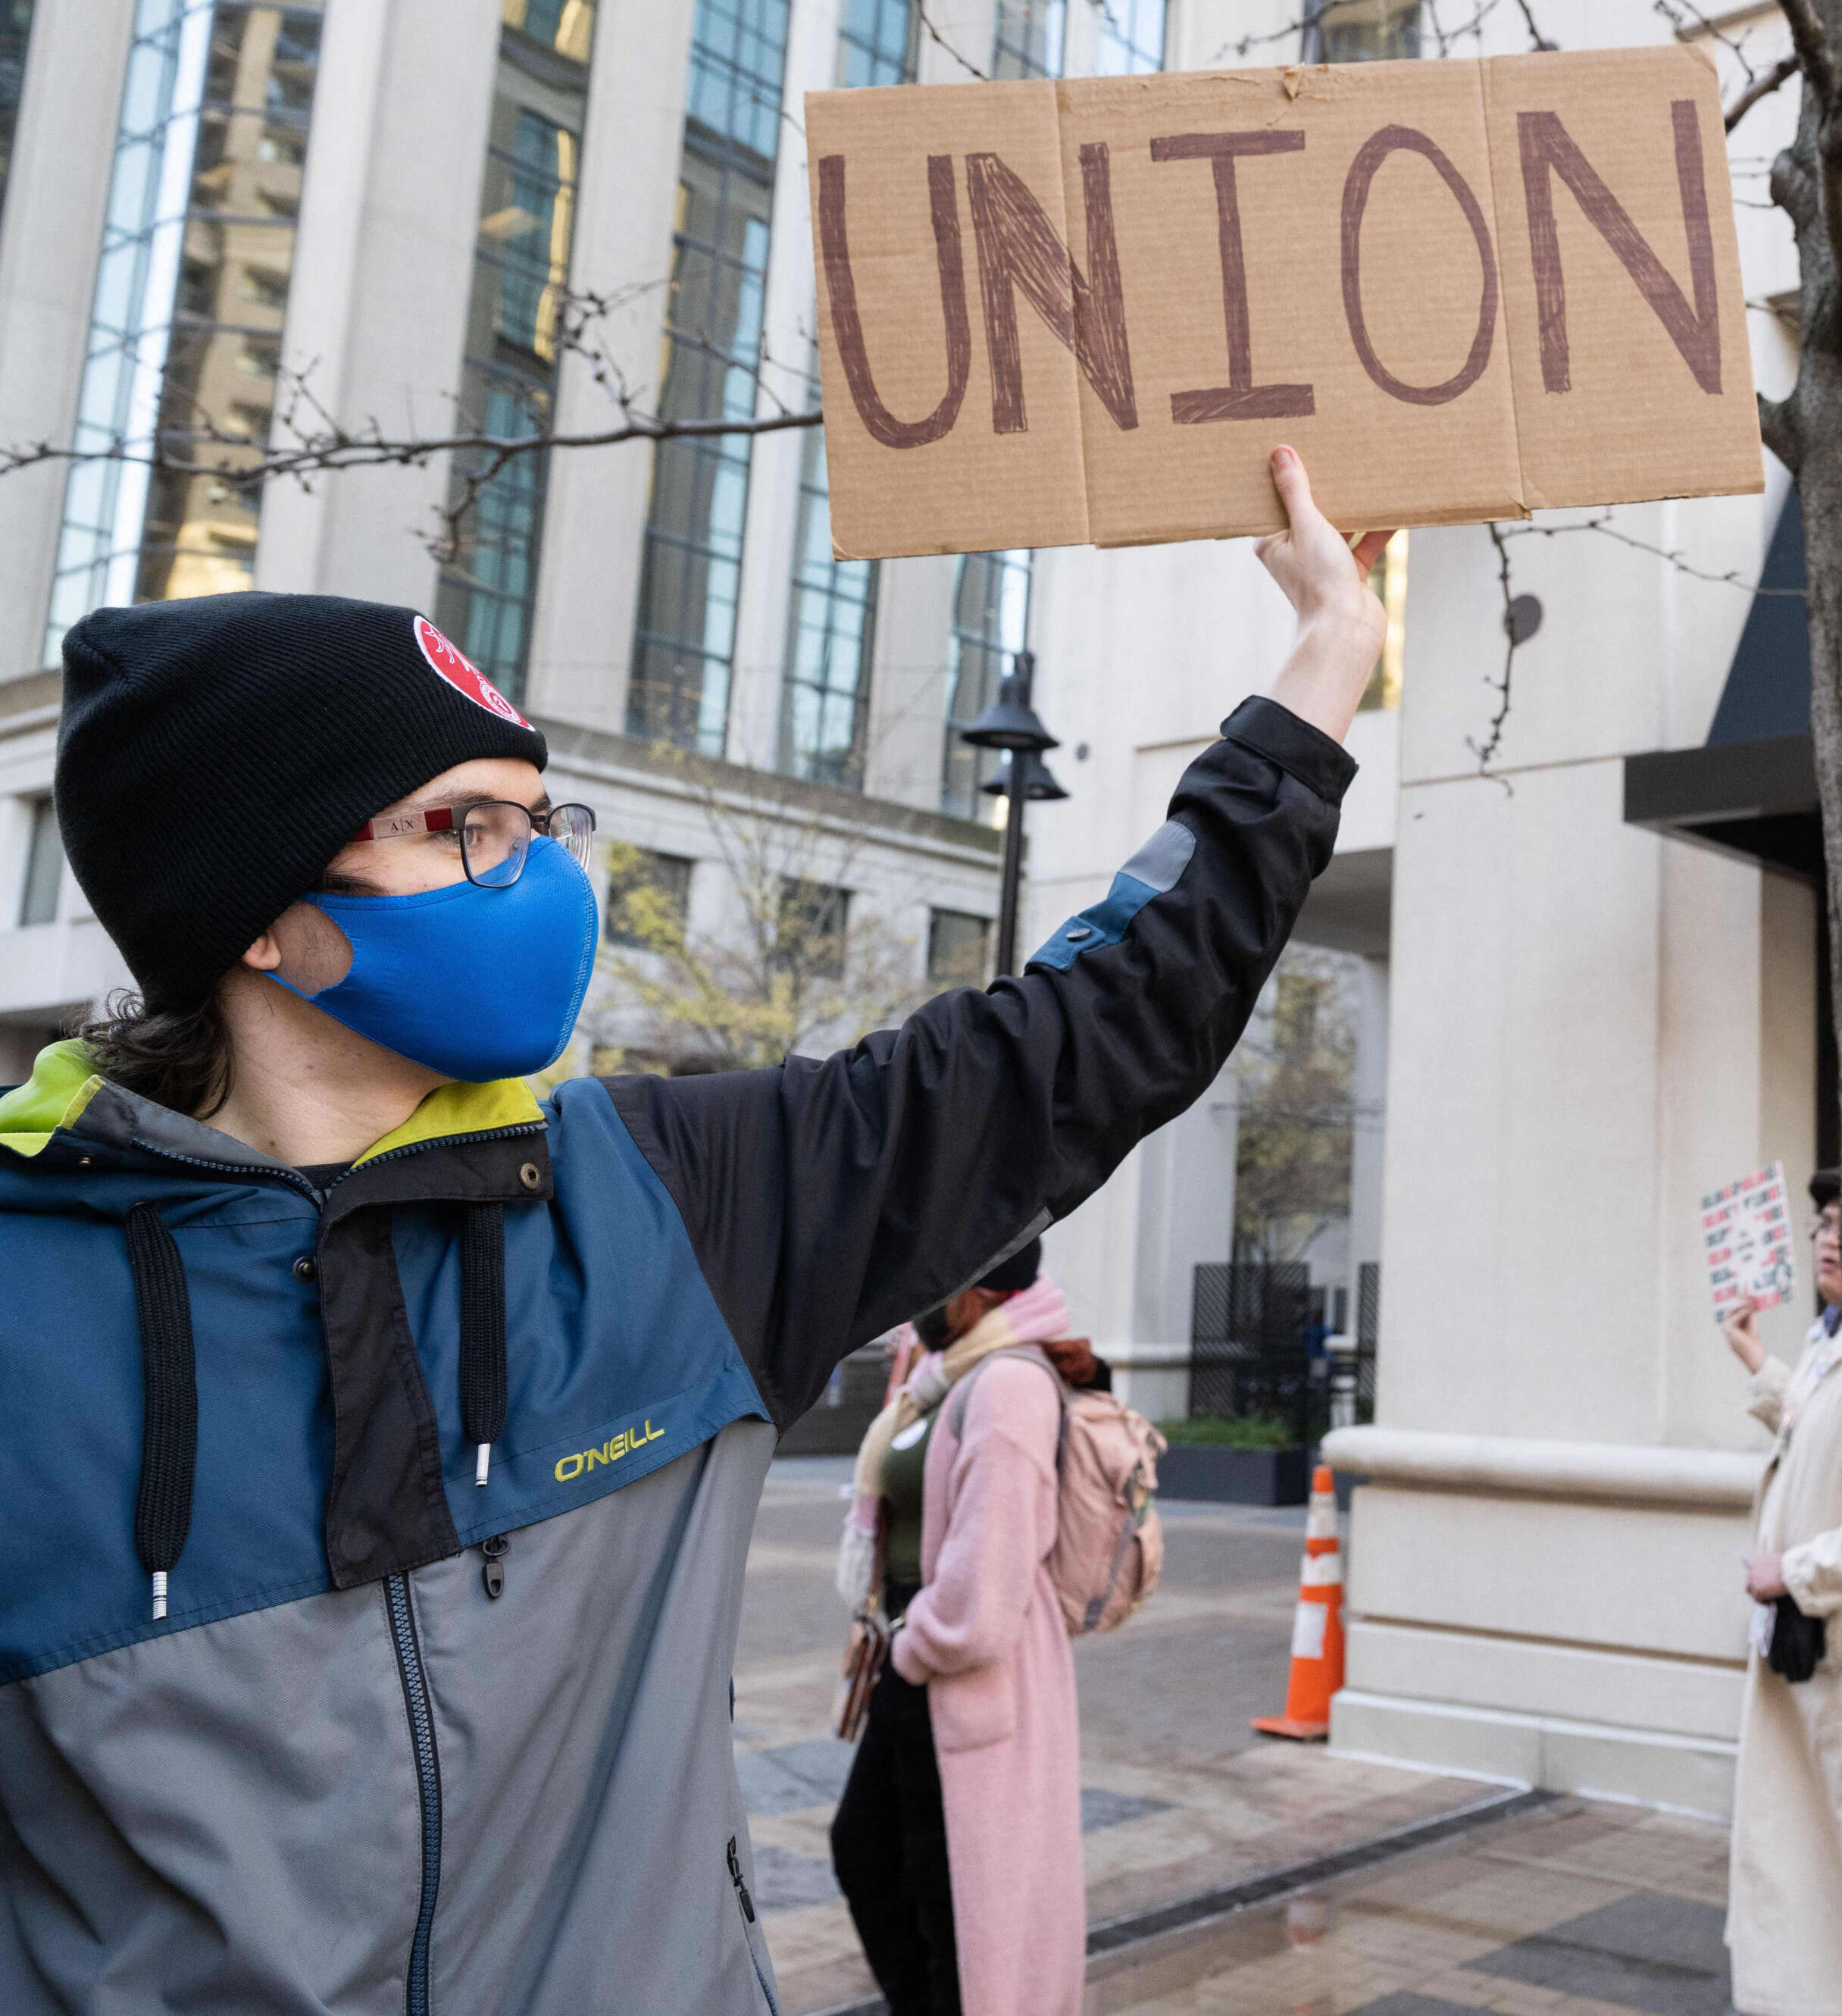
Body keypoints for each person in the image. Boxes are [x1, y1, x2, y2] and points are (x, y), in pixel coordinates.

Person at [0, 446, 1387, 2013]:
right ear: (250, 914)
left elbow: (1082, 1038)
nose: (536, 878)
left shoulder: (667, 1202)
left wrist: (1325, 664)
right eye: (462, 824)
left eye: (542, 818)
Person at [831, 1240, 1096, 2016]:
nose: (917, 1298)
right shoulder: (939, 1383)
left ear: (975, 1291)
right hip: (918, 1667)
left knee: (960, 1907)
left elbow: (988, 1592)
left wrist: (912, 1652)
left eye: (932, 1279)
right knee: (881, 1861)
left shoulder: (1009, 1385)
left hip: (957, 1675)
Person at [1715, 1169, 1842, 2016]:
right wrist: (1757, 1364)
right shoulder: (1831, 1340)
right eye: (1820, 1224)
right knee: (1796, 1862)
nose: (1827, 1239)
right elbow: (1813, 1428)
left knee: (1827, 1858)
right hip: (1804, 1660)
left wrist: (1794, 1571)